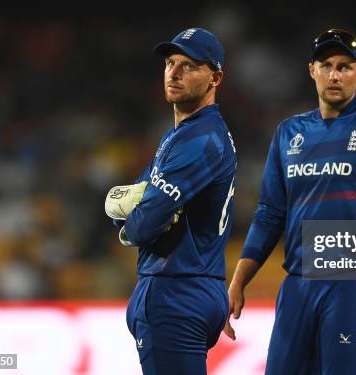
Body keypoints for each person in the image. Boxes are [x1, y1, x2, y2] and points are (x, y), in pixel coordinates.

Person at [224, 28, 356, 374]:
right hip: (296, 284)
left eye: (345, 66)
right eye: (326, 65)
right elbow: (269, 214)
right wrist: (238, 283)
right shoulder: (288, 134)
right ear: (312, 71)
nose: (334, 75)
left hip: (354, 285)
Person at [104, 27, 237, 374]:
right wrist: (139, 214)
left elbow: (142, 222)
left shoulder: (200, 140)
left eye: (189, 66)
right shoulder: (182, 136)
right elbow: (139, 200)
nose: (174, 72)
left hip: (176, 290)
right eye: (170, 62)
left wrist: (130, 227)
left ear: (215, 77)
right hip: (192, 285)